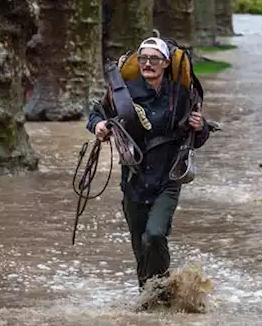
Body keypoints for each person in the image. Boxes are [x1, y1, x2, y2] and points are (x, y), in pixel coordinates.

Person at [87, 36, 210, 295]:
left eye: (155, 59)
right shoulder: (123, 92)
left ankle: (164, 287)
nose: (148, 64)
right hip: (134, 181)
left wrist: (202, 127)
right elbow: (97, 112)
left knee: (154, 235)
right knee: (140, 248)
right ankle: (148, 297)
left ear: (166, 63)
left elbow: (196, 138)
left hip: (168, 180)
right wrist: (97, 125)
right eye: (143, 58)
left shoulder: (182, 94)